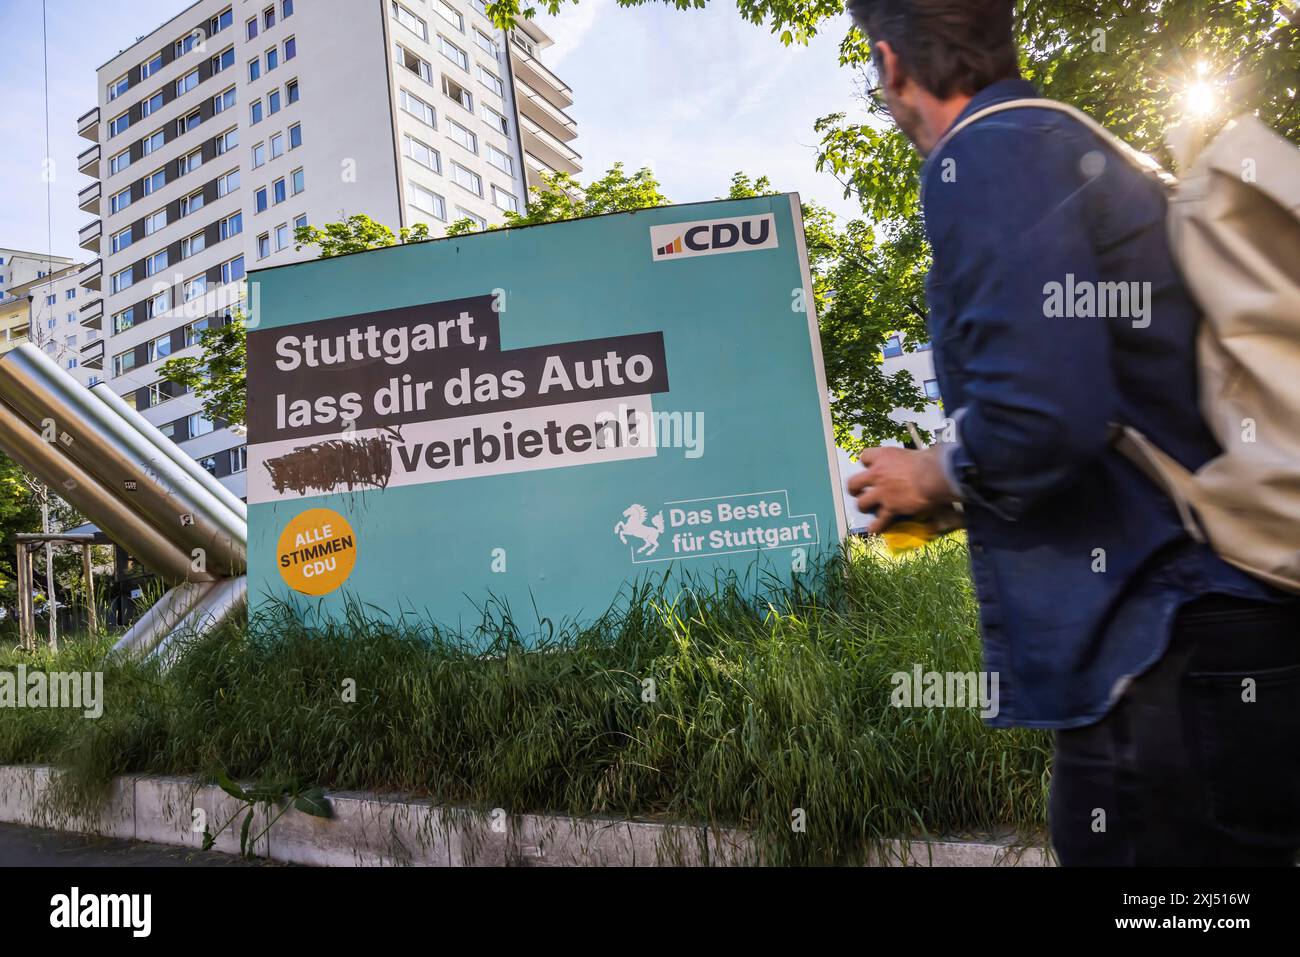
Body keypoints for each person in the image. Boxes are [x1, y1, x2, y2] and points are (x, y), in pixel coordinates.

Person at [843, 0, 1300, 865]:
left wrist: (931, 476)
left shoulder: (985, 153)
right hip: (1217, 635)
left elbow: (1045, 413)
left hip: (1159, 652)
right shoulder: (1076, 148)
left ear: (891, 62)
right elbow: (1098, 409)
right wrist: (967, 490)